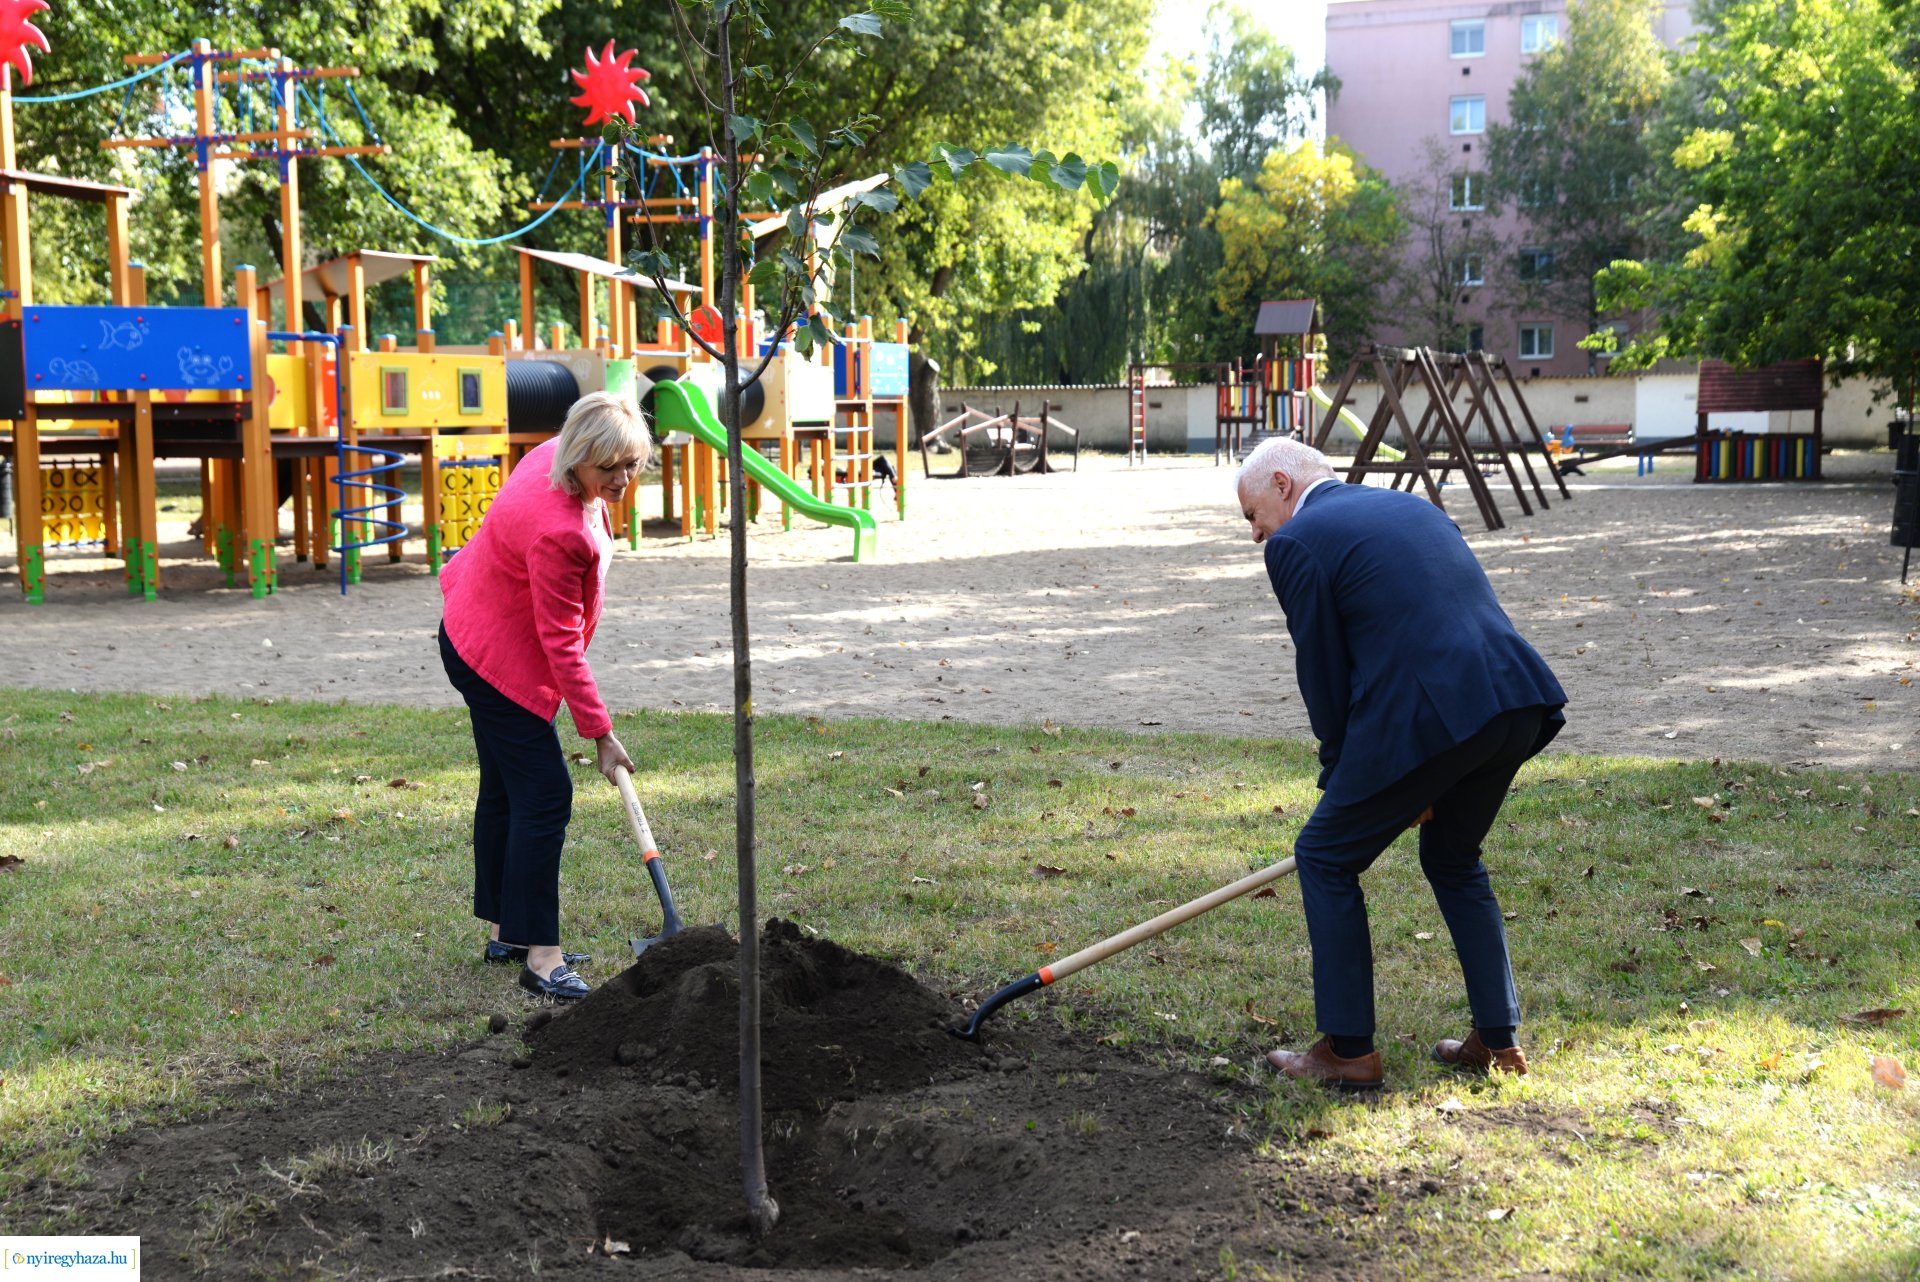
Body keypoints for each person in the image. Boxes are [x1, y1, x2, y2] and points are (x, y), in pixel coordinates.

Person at [1236, 437, 1566, 1088]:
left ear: (1282, 483)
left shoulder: (1296, 542)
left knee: (1325, 856)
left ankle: (1348, 1051)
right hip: (1512, 699)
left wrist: (1343, 774)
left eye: (1252, 515)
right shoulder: (1413, 507)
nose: (1255, 534)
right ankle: (1498, 1042)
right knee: (1453, 858)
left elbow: (1324, 673)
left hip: (1433, 716)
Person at [438, 391, 649, 1002]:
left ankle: (508, 932)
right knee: (545, 795)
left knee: (508, 788)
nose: (622, 478)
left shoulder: (550, 455)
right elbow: (561, 645)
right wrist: (600, 733)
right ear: (578, 454)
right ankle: (541, 958)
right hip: (492, 660)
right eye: (608, 467)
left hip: (470, 628)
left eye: (631, 464)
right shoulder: (559, 531)